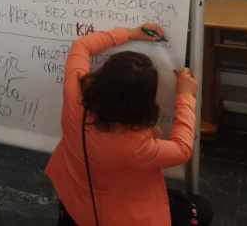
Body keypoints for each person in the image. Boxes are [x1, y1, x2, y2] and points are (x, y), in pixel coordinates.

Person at [46, 23, 212, 226]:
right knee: (202, 210)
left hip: (73, 196)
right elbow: (183, 149)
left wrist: (131, 33)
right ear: (142, 104)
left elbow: (81, 45)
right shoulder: (136, 146)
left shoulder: (75, 93)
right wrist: (186, 96)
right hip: (113, 217)